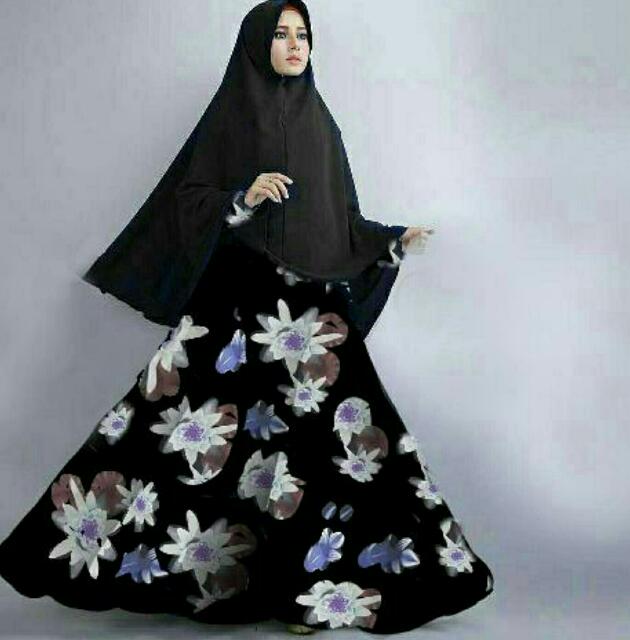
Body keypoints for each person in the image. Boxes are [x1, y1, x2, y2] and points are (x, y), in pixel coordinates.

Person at [0, 1, 494, 635]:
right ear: (258, 42)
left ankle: (311, 593)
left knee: (331, 450)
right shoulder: (230, 116)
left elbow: (341, 222)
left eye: (303, 34)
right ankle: (124, 558)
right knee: (176, 434)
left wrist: (391, 240)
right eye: (281, 34)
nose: (294, 44)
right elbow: (190, 199)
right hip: (238, 309)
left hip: (310, 322)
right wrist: (243, 196)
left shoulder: (322, 124)